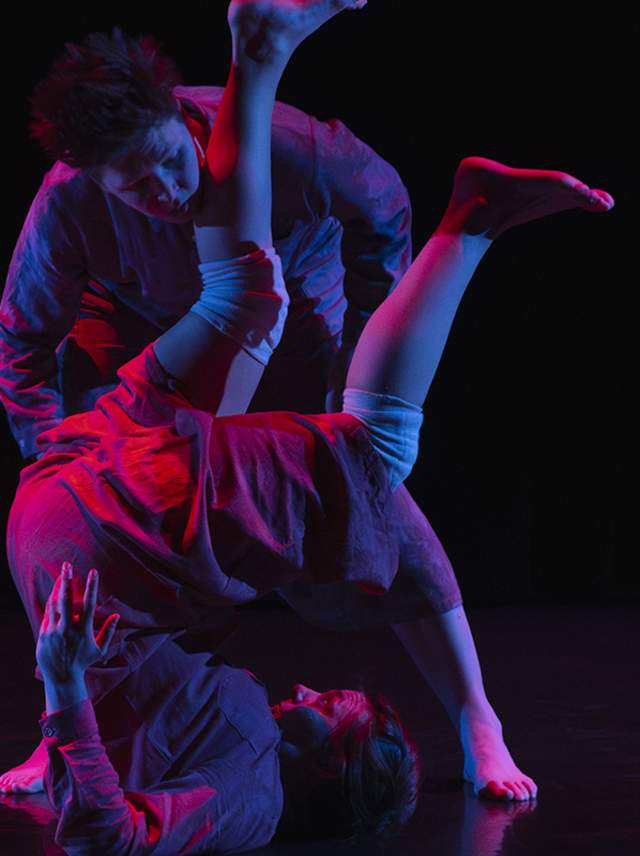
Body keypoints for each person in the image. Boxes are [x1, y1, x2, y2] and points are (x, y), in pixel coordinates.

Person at [0, 0, 613, 815]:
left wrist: (358, 339)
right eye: (136, 190)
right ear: (96, 179)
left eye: (169, 164)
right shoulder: (69, 201)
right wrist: (52, 452)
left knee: (351, 454)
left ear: (179, 117)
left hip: (274, 367)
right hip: (152, 409)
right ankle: (61, 733)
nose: (166, 191)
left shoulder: (293, 149)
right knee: (179, 555)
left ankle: (477, 714)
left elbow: (383, 208)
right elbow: (23, 341)